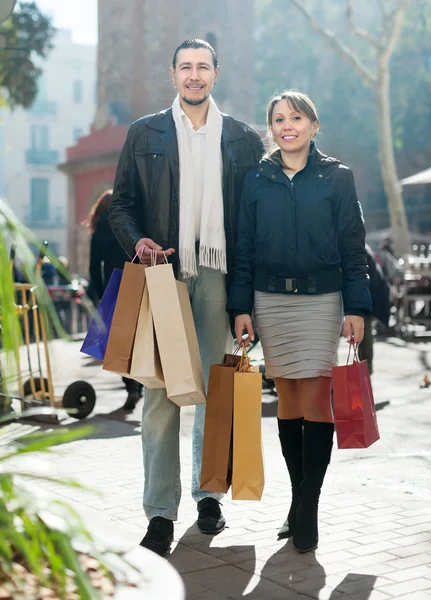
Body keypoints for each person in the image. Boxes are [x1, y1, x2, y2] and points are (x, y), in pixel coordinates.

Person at [108, 39, 264, 556]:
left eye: (203, 67)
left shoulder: (242, 139)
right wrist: (138, 241)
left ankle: (209, 497)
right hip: (164, 274)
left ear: (216, 74)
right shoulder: (144, 133)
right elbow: (122, 206)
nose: (194, 76)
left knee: (218, 388)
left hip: (219, 273)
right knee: (160, 392)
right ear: (172, 74)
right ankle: (158, 512)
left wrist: (247, 299)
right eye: (185, 68)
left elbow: (250, 221)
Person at [226, 90, 371, 553]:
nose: (287, 125)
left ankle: (308, 506)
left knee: (315, 397)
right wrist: (240, 307)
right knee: (286, 397)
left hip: (322, 301)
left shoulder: (337, 177)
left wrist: (357, 307)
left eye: (296, 117)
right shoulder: (256, 179)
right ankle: (297, 497)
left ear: (313, 124)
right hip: (270, 301)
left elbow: (353, 248)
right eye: (278, 119)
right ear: (271, 129)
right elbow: (243, 248)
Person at [84, 189, 143, 411]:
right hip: (136, 281)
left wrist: (101, 293)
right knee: (139, 337)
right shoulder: (130, 226)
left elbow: (93, 267)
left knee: (117, 344)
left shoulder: (98, 230)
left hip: (113, 286)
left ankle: (131, 386)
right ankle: (141, 381)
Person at [358, 244, 391, 375]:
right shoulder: (363, 248)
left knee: (364, 332)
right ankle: (365, 374)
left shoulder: (360, 250)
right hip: (369, 295)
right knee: (364, 333)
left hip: (369, 297)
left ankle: (365, 373)